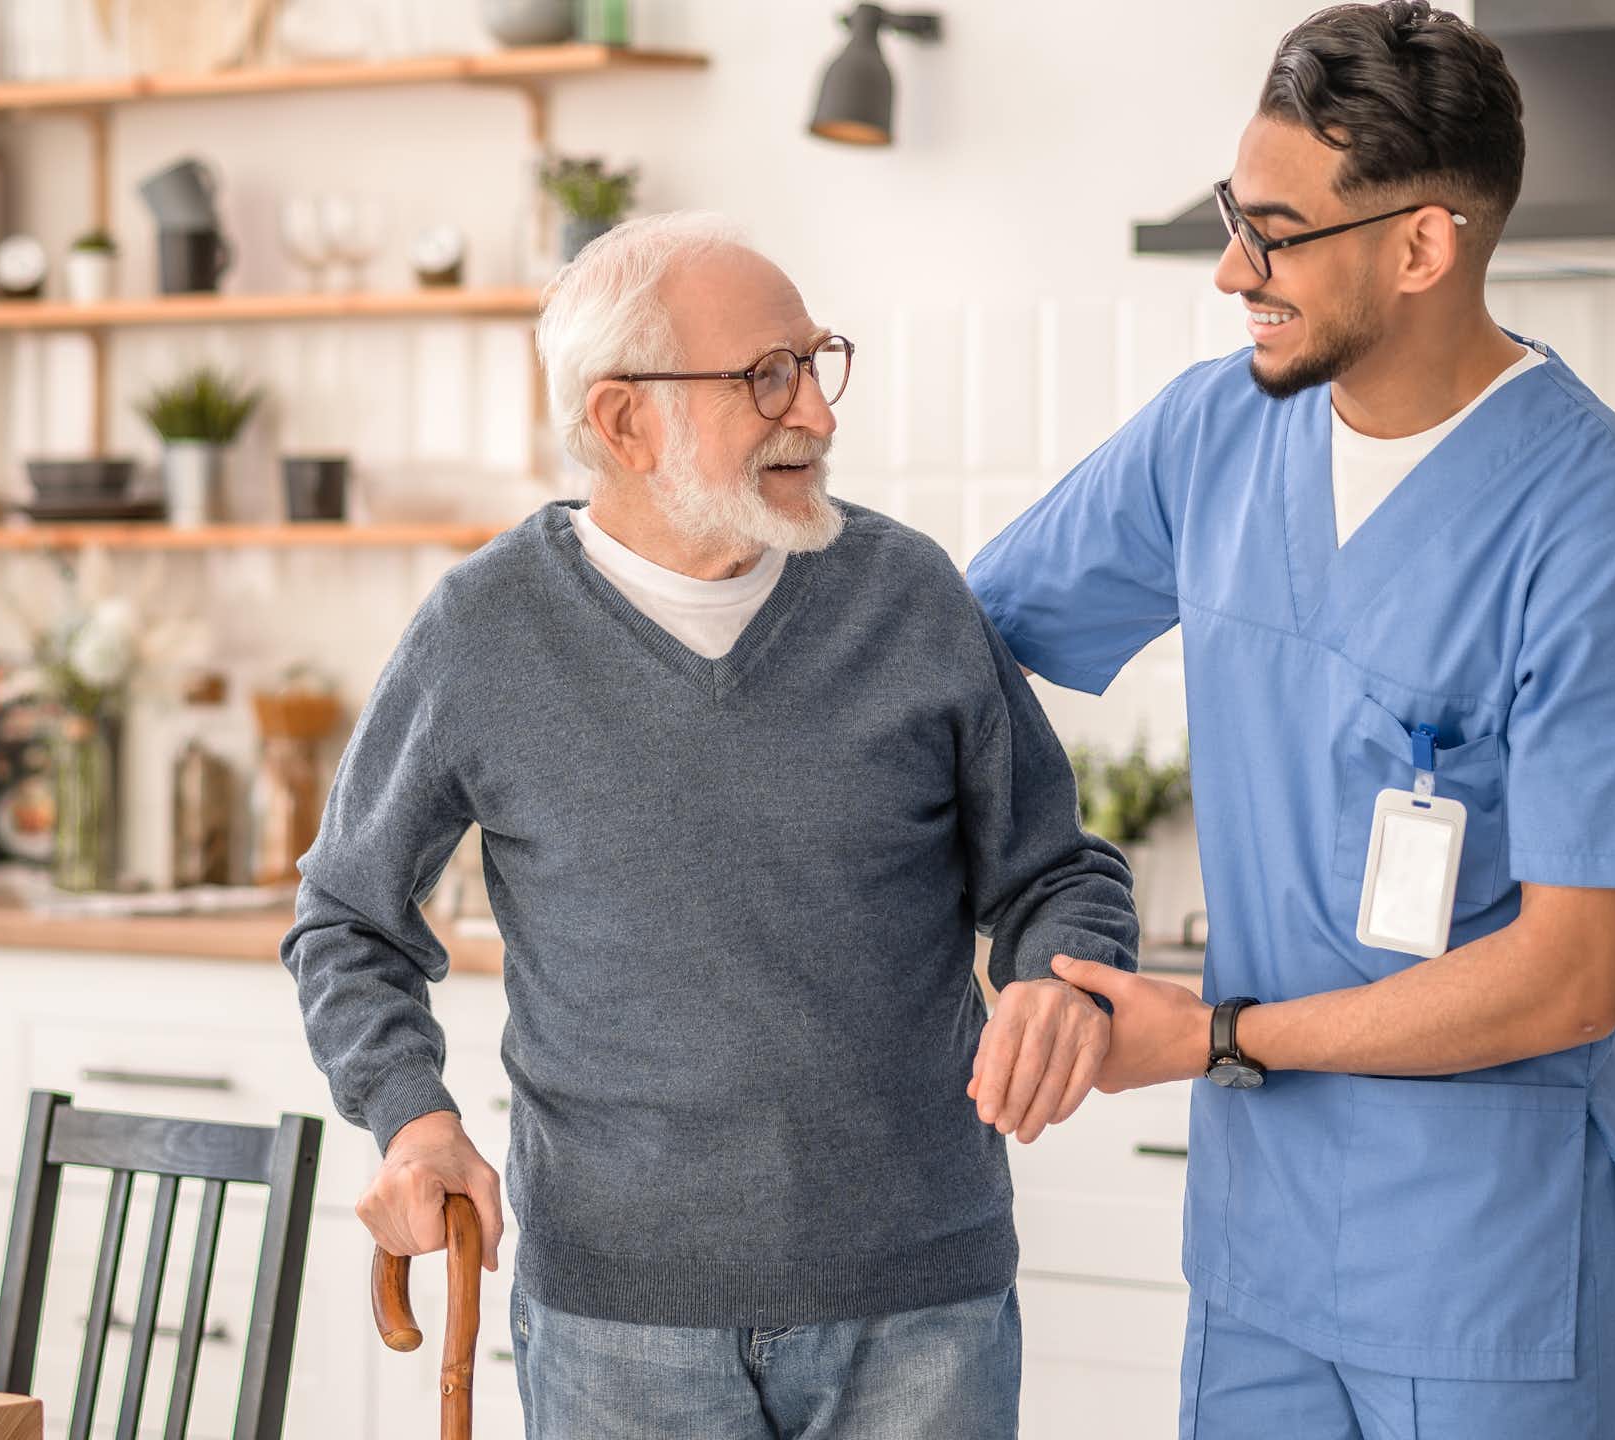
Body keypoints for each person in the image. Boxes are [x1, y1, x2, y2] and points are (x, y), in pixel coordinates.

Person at [966, 4, 1615, 1435]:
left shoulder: (1606, 534)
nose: (1231, 272)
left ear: (1423, 248)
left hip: (1488, 1276)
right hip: (1261, 1258)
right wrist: (1049, 921)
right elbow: (958, 654)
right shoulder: (1213, 437)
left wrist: (1218, 1036)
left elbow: (1569, 977)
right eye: (1230, 216)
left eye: (1275, 232)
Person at [283, 211, 1138, 1439]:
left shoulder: (908, 595)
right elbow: (346, 916)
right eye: (765, 377)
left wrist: (1062, 977)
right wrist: (412, 1118)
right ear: (624, 419)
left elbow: (1057, 872)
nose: (820, 415)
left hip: (921, 1313)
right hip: (616, 1326)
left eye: (815, 362)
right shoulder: (483, 630)